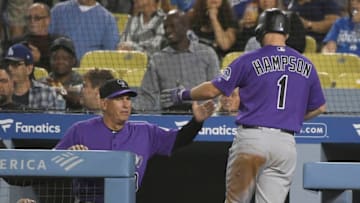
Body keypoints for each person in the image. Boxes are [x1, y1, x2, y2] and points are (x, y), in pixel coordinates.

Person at [160, 8, 326, 203]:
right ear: (286, 34)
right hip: (285, 145)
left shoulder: (249, 59)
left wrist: (183, 94)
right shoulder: (306, 65)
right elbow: (320, 107)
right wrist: (291, 118)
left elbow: (213, 90)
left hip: (253, 140)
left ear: (261, 31)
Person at [55, 78, 216, 202]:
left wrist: (196, 122)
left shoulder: (144, 131)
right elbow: (48, 164)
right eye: (119, 99)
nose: (126, 104)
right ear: (104, 104)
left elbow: (178, 140)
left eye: (128, 99)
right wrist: (70, 156)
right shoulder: (80, 130)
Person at [133, 9, 219, 112]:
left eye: (172, 26)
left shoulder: (207, 54)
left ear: (186, 26)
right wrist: (132, 107)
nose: (168, 30)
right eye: (166, 27)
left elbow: (215, 91)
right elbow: (148, 97)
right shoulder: (157, 59)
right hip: (168, 116)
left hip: (203, 115)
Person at [49, 0, 119, 61]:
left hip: (89, 70)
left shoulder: (108, 19)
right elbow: (46, 38)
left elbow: (109, 54)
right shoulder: (58, 10)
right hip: (58, 68)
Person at [3, 3, 63, 72]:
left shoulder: (59, 43)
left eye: (37, 18)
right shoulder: (15, 43)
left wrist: (39, 60)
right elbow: (5, 66)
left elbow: (63, 68)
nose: (32, 21)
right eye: (29, 18)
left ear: (47, 20)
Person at [4, 43, 65, 110]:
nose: (9, 68)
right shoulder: (1, 93)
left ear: (29, 69)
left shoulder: (46, 92)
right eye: (7, 64)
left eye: (15, 64)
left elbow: (55, 120)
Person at [40, 36, 83, 110]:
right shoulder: (42, 83)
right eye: (55, 58)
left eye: (65, 58)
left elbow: (79, 99)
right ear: (50, 60)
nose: (60, 62)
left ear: (73, 60)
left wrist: (59, 89)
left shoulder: (82, 82)